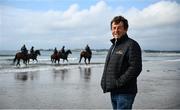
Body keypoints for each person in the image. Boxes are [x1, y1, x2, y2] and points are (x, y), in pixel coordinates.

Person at [100, 15, 142, 110]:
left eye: (119, 28)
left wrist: (118, 82)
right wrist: (104, 82)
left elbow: (135, 68)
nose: (116, 30)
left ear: (126, 29)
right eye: (114, 28)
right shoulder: (114, 46)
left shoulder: (131, 45)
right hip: (114, 90)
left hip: (125, 92)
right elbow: (109, 66)